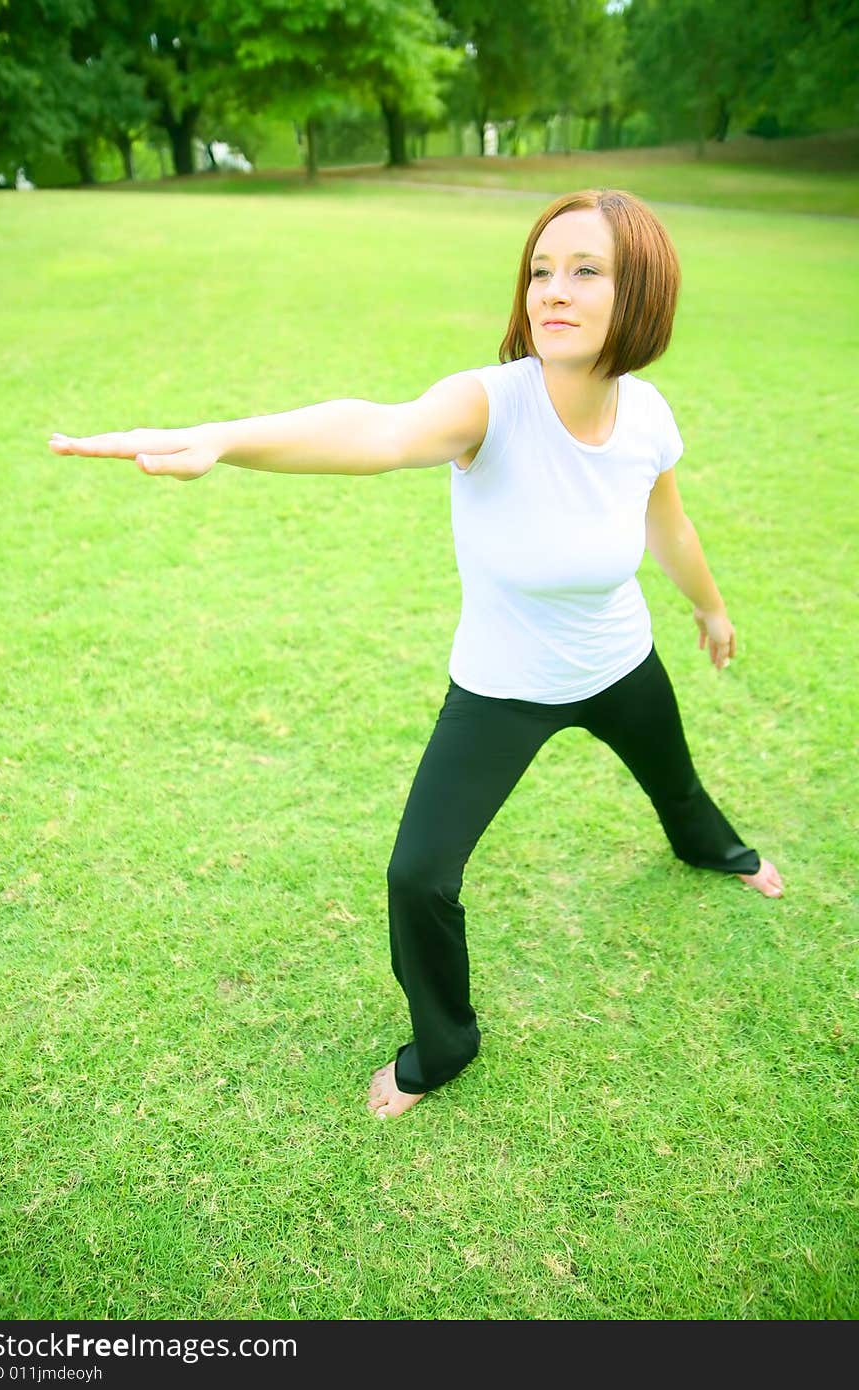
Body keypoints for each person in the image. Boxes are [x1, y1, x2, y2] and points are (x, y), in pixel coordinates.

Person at [49, 188, 783, 1121]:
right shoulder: (490, 404)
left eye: (586, 270)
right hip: (504, 687)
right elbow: (377, 428)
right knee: (418, 875)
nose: (550, 289)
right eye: (541, 269)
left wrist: (711, 611)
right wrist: (226, 441)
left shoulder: (646, 416)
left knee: (678, 787)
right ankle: (444, 1043)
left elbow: (666, 521)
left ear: (641, 292)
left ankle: (715, 852)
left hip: (620, 661)